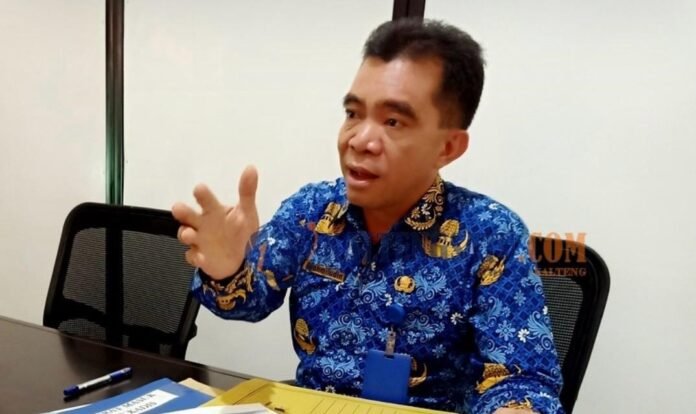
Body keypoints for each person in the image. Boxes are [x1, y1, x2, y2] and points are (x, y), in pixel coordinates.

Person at [172, 18, 564, 414]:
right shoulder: (312, 210)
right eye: (353, 113)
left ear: (447, 147)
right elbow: (250, 302)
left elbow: (523, 379)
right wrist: (227, 269)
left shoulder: (491, 234)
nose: (359, 140)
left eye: (393, 121)